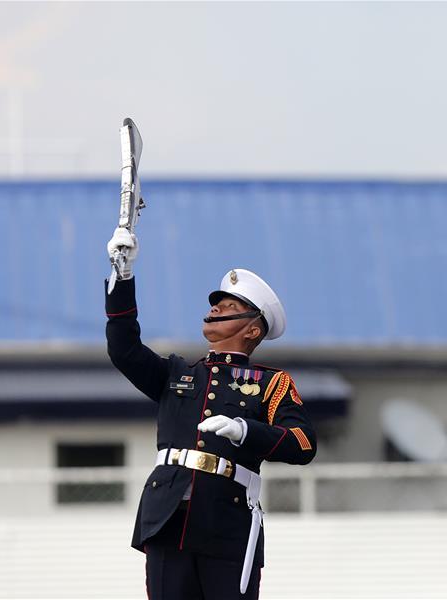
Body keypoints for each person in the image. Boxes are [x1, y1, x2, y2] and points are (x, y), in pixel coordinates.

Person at [105, 227, 317, 599]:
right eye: (215, 305)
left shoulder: (270, 383)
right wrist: (122, 276)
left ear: (252, 330)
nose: (214, 309)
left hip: (227, 522)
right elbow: (123, 348)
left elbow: (302, 443)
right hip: (168, 516)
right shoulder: (176, 374)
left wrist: (245, 431)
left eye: (229, 307)